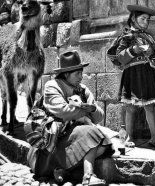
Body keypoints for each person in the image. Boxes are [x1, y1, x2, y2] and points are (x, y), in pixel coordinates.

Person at [27, 50, 116, 185]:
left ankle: (65, 172)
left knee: (104, 143)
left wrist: (92, 109)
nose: (81, 77)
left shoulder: (83, 89)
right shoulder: (52, 86)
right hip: (51, 143)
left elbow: (99, 117)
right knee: (91, 133)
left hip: (72, 139)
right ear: (66, 74)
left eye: (82, 72)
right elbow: (63, 111)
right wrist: (84, 112)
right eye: (77, 73)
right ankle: (88, 176)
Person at [115, 5, 155, 148]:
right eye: (143, 19)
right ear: (133, 19)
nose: (146, 22)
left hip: (147, 74)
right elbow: (119, 57)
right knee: (130, 107)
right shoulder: (126, 37)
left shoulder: (148, 37)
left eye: (148, 20)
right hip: (131, 75)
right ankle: (129, 137)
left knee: (149, 107)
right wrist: (133, 50)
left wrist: (151, 53)